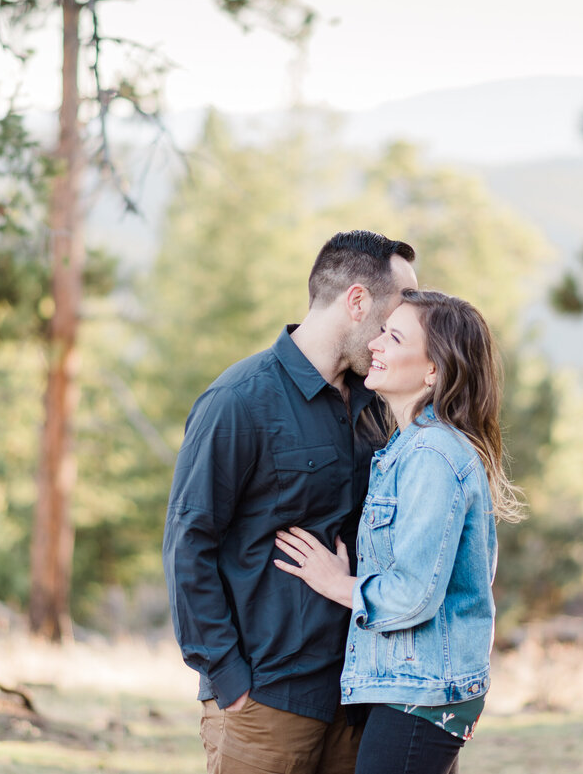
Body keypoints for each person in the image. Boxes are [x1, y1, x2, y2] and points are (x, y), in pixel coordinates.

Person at [163, 230, 419, 774]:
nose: (407, 325)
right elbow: (189, 545)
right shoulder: (238, 401)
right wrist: (229, 678)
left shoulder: (379, 405)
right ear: (357, 301)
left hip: (357, 699)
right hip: (266, 701)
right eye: (399, 308)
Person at [273, 289, 523, 774]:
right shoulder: (409, 449)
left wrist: (338, 585)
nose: (376, 345)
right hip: (414, 686)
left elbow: (414, 594)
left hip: (420, 690)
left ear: (434, 371)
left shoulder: (432, 456)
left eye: (394, 336)